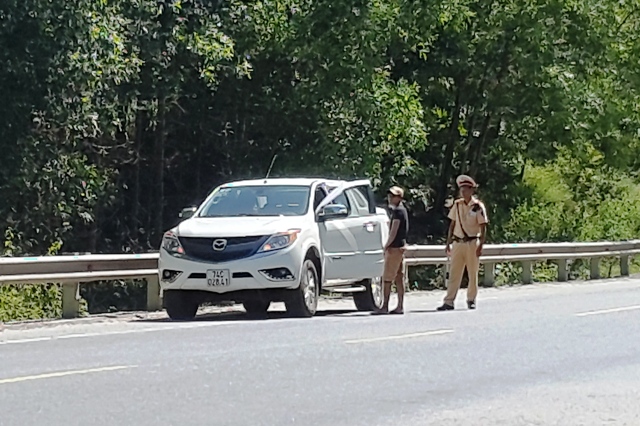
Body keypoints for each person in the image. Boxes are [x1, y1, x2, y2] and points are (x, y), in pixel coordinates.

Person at [437, 175, 488, 311]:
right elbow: (452, 224)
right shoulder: (457, 205)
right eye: (462, 189)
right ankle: (449, 301)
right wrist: (448, 242)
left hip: (472, 242)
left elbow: (483, 226)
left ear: (471, 190)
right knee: (454, 273)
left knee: (472, 273)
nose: (463, 192)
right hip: (458, 242)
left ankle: (471, 299)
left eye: (466, 189)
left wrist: (481, 245)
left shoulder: (477, 206)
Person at [374, 186, 409, 315]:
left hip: (394, 248)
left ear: (399, 198)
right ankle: (400, 306)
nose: (390, 198)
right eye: (389, 195)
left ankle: (385, 306)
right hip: (401, 247)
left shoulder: (398, 212)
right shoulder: (402, 210)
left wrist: (386, 245)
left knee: (387, 279)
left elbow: (394, 231)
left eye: (393, 196)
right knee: (399, 277)